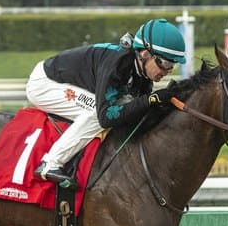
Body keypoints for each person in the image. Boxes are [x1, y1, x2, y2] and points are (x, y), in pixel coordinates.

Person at [26, 18, 187, 187]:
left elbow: (137, 112)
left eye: (172, 66)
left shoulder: (142, 75)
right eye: (165, 63)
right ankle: (50, 164)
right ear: (145, 54)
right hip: (45, 84)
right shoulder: (117, 64)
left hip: (70, 83)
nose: (167, 71)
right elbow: (106, 117)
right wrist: (150, 99)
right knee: (95, 113)